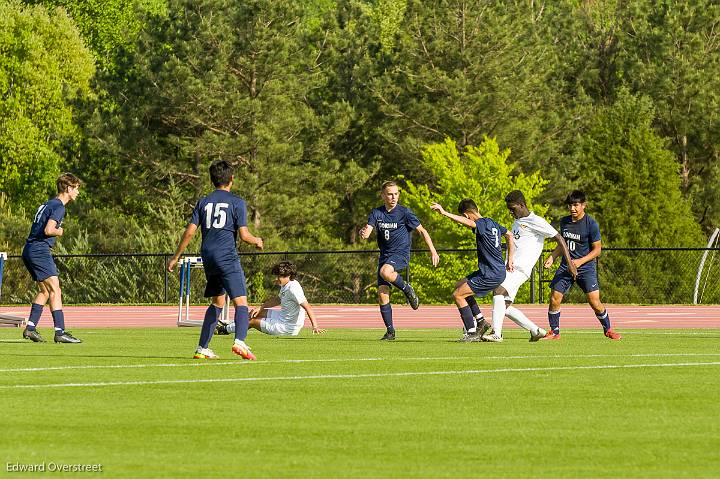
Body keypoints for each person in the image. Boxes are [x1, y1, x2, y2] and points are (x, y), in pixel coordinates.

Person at [167, 160, 264, 360]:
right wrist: (257, 241)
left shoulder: (203, 201)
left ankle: (202, 348)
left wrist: (176, 257)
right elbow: (244, 236)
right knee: (241, 302)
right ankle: (240, 342)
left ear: (212, 180)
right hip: (226, 256)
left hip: (208, 257)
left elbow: (190, 232)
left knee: (218, 302)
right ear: (232, 179)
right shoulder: (237, 202)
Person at [481, 190, 577, 342]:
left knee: (498, 292)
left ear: (521, 205)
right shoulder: (516, 222)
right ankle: (536, 330)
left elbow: (560, 238)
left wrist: (570, 264)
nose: (511, 212)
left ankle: (496, 334)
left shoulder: (536, 221)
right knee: (503, 306)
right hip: (510, 268)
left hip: (520, 269)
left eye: (513, 208)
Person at [359, 180, 440, 340]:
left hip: (400, 254)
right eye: (390, 194)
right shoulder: (377, 213)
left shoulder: (405, 212)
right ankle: (390, 332)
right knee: (382, 294)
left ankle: (407, 289)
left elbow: (422, 231)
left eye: (396, 194)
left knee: (385, 272)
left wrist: (433, 250)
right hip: (384, 256)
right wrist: (364, 233)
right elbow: (367, 230)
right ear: (383, 195)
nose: (393, 197)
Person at [542, 190, 621, 340]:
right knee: (554, 297)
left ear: (584, 205)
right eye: (570, 205)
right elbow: (562, 244)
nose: (572, 208)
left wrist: (579, 262)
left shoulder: (591, 224)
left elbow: (597, 250)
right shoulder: (565, 222)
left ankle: (608, 329)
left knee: (594, 302)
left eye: (576, 205)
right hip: (566, 267)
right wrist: (552, 256)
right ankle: (555, 332)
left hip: (585, 268)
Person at [430, 199, 513, 342]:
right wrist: (510, 258)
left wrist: (444, 213)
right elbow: (510, 235)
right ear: (477, 208)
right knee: (459, 286)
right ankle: (481, 321)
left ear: (466, 215)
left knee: (458, 295)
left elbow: (470, 223)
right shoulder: (491, 222)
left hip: (491, 273)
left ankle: (472, 332)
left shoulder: (479, 223)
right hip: (492, 270)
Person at [21, 173, 83, 343]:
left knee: (45, 291)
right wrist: (60, 231)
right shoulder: (59, 207)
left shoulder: (48, 203)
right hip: (39, 250)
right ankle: (60, 332)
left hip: (29, 249)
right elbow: (49, 230)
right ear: (69, 188)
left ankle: (30, 329)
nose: (78, 192)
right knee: (56, 289)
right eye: (76, 188)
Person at [215, 261, 325, 337]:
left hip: (287, 328)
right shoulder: (287, 285)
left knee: (252, 322)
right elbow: (278, 299)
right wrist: (261, 307)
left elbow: (307, 307)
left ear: (289, 276)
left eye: (279, 276)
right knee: (254, 313)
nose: (277, 279)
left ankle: (224, 330)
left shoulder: (293, 288)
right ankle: (229, 326)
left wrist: (315, 326)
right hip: (281, 317)